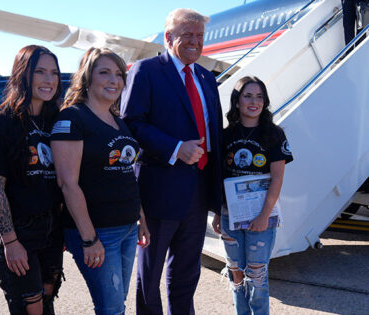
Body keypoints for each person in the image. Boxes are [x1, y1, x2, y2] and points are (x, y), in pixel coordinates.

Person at [121, 8, 223, 315]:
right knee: (149, 276)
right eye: (188, 35)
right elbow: (131, 123)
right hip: (159, 191)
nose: (195, 42)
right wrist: (175, 147)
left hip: (198, 190)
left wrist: (218, 200)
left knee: (187, 273)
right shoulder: (146, 70)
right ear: (169, 37)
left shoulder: (206, 77)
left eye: (200, 36)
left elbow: (215, 135)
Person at [50, 48, 150, 315]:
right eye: (104, 73)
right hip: (98, 232)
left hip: (127, 227)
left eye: (118, 74)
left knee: (117, 305)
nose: (113, 80)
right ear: (87, 78)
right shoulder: (72, 118)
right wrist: (88, 239)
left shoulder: (118, 121)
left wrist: (140, 217)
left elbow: (127, 172)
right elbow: (67, 183)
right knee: (111, 308)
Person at [0, 45, 64, 315]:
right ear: (23, 74)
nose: (49, 80)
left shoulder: (56, 119)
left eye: (54, 73)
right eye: (40, 72)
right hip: (18, 231)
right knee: (29, 306)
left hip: (51, 229)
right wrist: (10, 242)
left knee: (47, 299)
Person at [212, 76, 293, 315]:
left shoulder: (274, 134)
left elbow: (277, 177)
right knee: (235, 270)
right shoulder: (226, 135)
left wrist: (264, 216)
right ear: (237, 101)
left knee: (256, 274)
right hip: (230, 215)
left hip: (261, 215)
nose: (253, 101)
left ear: (265, 101)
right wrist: (218, 213)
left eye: (259, 96)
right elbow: (220, 176)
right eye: (247, 96)